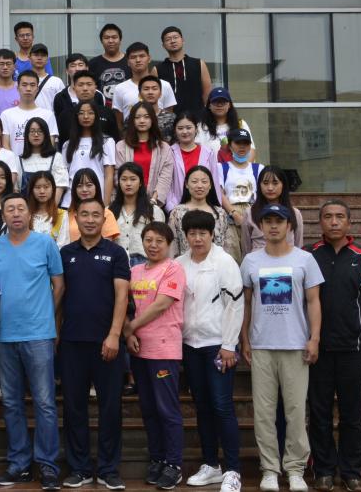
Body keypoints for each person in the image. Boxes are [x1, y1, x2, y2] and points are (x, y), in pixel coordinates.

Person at [307, 200, 361, 492]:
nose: (334, 221)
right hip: (317, 349)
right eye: (328, 216)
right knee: (319, 413)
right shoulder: (308, 255)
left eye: (340, 216)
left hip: (353, 348)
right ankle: (324, 471)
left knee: (353, 414)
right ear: (320, 222)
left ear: (349, 223)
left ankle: (352, 471)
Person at [241, 204, 324, 492]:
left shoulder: (305, 260)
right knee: (264, 413)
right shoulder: (251, 261)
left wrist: (314, 338)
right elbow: (246, 303)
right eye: (268, 221)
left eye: (279, 221)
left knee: (295, 411)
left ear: (290, 226)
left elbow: (313, 301)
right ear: (261, 226)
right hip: (262, 345)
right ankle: (269, 470)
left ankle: (295, 469)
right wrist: (244, 338)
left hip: (295, 346)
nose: (273, 226)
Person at [0, 194, 63, 490]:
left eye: (21, 208)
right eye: (10, 209)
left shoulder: (45, 244)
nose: (16, 213)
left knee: (45, 403)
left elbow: (59, 284)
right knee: (11, 403)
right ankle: (19, 464)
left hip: (39, 334)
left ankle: (48, 465)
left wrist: (45, 313)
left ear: (29, 214)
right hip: (5, 336)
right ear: (3, 215)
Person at [59, 197, 130, 492]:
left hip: (107, 343)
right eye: (84, 214)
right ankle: (79, 469)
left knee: (110, 408)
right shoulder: (65, 253)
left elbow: (122, 296)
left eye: (96, 215)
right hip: (72, 343)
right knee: (74, 408)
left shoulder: (116, 253)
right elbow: (59, 296)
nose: (90, 220)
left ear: (104, 219)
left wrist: (114, 334)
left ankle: (109, 469)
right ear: (76, 218)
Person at [176, 210, 244, 492]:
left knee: (222, 406)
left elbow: (235, 305)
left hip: (218, 346)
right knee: (202, 406)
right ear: (185, 236)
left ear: (212, 234)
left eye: (202, 233)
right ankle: (211, 465)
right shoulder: (179, 263)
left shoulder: (224, 262)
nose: (197, 238)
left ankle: (233, 470)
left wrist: (229, 345)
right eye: (192, 233)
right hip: (190, 346)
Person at [125, 222, 186, 491]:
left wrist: (131, 327)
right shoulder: (135, 271)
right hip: (139, 350)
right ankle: (158, 458)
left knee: (167, 409)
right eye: (148, 240)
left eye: (159, 241)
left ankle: (174, 464)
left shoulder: (174, 269)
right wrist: (128, 333)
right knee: (149, 409)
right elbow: (126, 305)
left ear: (169, 244)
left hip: (164, 350)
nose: (153, 245)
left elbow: (162, 304)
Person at [217, 128, 264, 261]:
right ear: (230, 145)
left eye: (246, 143)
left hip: (254, 213)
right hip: (230, 215)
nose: (242, 146)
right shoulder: (221, 168)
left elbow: (263, 193)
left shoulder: (259, 169)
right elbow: (220, 193)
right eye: (238, 143)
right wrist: (234, 213)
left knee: (255, 254)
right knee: (232, 255)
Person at [115, 102, 174, 207]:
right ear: (132, 120)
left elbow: (165, 177)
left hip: (153, 203)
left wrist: (153, 201)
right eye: (137, 117)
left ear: (153, 120)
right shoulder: (121, 146)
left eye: (146, 117)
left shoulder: (164, 148)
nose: (142, 121)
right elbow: (117, 174)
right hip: (126, 201)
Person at [168, 166, 233, 258]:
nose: (199, 186)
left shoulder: (220, 213)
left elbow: (228, 246)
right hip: (185, 264)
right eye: (194, 182)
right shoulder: (177, 213)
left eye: (204, 182)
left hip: (216, 264)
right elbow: (172, 246)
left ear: (210, 185)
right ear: (186, 184)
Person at [110, 162, 165, 265]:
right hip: (116, 263)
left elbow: (161, 241)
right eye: (124, 179)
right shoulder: (109, 211)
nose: (128, 183)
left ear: (140, 183)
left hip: (145, 263)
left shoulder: (153, 211)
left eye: (133, 179)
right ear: (119, 182)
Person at [167, 111, 222, 213]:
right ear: (175, 130)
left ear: (196, 129)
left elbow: (214, 181)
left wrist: (215, 208)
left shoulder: (208, 152)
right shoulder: (169, 152)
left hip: (205, 209)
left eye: (189, 128)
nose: (185, 132)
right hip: (177, 208)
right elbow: (167, 182)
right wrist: (172, 208)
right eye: (180, 128)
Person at [62, 101, 115, 207]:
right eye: (81, 113)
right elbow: (64, 174)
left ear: (96, 116)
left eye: (90, 113)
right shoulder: (68, 144)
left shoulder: (106, 142)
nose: (86, 116)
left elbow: (109, 175)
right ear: (76, 116)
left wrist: (105, 205)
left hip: (97, 199)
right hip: (70, 200)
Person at [242, 166, 305, 254]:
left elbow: (299, 246)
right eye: (265, 183)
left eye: (275, 183)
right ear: (259, 185)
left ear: (283, 185)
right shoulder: (250, 213)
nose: (270, 188)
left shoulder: (295, 214)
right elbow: (246, 247)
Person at [111, 42, 176, 126]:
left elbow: (169, 117)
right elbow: (119, 122)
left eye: (142, 56)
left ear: (149, 58)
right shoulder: (120, 88)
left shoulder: (164, 85)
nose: (138, 60)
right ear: (128, 62)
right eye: (133, 57)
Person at [156, 26, 212, 115]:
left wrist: (207, 115)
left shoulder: (199, 64)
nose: (172, 41)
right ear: (163, 45)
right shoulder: (157, 69)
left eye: (175, 37)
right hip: (170, 119)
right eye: (168, 39)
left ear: (183, 40)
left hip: (197, 117)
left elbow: (207, 93)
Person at [1, 71, 59, 156]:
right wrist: (16, 161)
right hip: (15, 162)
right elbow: (5, 145)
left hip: (42, 162)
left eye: (32, 85)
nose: (28, 89)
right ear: (17, 88)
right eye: (24, 85)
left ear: (37, 89)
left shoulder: (48, 115)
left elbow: (50, 143)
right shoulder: (6, 115)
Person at [197, 87, 254, 163]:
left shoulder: (240, 124)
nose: (219, 105)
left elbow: (251, 150)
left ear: (229, 105)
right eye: (215, 102)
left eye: (223, 102)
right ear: (209, 105)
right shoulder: (201, 127)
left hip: (237, 169)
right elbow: (197, 153)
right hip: (210, 170)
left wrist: (244, 168)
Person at [19, 117, 68, 202]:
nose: (36, 134)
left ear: (46, 134)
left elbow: (60, 186)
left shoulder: (56, 157)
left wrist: (50, 209)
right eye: (32, 131)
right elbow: (16, 189)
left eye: (40, 131)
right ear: (27, 135)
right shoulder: (20, 159)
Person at [67, 168, 120, 244]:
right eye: (80, 186)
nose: (84, 189)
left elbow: (107, 245)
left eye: (89, 185)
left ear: (96, 187)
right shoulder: (68, 214)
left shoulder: (106, 214)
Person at [87, 23, 130, 107]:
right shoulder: (93, 63)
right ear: (101, 41)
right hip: (101, 110)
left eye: (114, 37)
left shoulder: (130, 61)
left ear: (120, 40)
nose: (110, 41)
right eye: (106, 38)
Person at [27, 171, 70, 247]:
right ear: (32, 190)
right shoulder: (25, 214)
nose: (42, 191)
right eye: (37, 187)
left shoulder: (61, 214)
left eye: (46, 187)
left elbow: (63, 245)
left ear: (53, 189)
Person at [138, 76, 176, 142]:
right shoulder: (133, 117)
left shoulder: (171, 118)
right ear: (140, 94)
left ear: (160, 94)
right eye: (146, 89)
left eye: (154, 89)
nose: (150, 92)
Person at [29, 43, 65, 110]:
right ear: (29, 58)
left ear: (48, 59)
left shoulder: (57, 82)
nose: (39, 58)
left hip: (51, 116)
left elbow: (62, 105)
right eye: (36, 55)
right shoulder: (24, 81)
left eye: (43, 55)